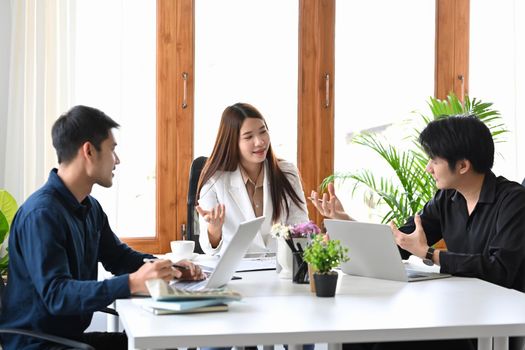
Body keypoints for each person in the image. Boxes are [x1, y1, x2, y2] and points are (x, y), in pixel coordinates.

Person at [310, 115, 525, 350]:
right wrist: (346, 221)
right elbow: (401, 241)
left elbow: (500, 269)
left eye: (434, 160)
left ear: (463, 166)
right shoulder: (447, 198)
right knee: (356, 336)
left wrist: (431, 254)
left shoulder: (514, 201)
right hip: (458, 309)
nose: (428, 168)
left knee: (390, 343)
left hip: (495, 321)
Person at [0, 105, 204, 350]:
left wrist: (172, 268)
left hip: (69, 340)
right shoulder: (42, 214)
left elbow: (118, 258)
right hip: (39, 345)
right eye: (112, 149)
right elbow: (56, 294)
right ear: (89, 151)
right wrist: (130, 283)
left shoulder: (90, 207)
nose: (117, 160)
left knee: (163, 344)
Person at [196, 102, 309, 256]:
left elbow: (301, 226)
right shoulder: (215, 181)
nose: (260, 141)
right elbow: (208, 248)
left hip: (279, 269)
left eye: (263, 132)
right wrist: (214, 230)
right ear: (232, 142)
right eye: (248, 136)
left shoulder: (287, 172)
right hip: (236, 272)